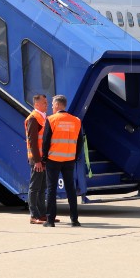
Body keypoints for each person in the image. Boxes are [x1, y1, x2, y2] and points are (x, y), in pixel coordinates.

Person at [41, 95, 83, 228]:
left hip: (53, 159)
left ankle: (50, 220)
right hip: (69, 159)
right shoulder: (76, 120)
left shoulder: (51, 119)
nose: (52, 107)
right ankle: (74, 220)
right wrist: (74, 157)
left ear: (58, 105)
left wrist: (44, 158)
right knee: (71, 189)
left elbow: (46, 141)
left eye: (53, 104)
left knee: (52, 189)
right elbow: (80, 142)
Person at [24, 94, 48, 224]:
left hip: (43, 159)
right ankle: (33, 215)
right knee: (34, 188)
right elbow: (32, 141)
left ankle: (42, 214)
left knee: (42, 188)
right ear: (37, 104)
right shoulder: (33, 118)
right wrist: (37, 160)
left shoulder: (43, 118)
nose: (47, 104)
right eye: (44, 102)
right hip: (37, 160)